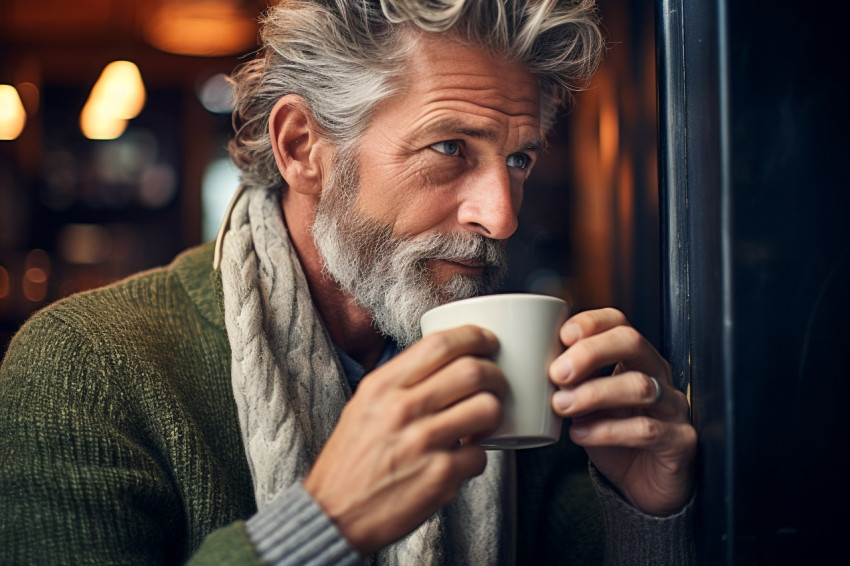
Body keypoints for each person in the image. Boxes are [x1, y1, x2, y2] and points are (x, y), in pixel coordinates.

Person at [0, 1, 697, 564]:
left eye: (518, 160)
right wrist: (319, 528)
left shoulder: (522, 380)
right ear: (303, 148)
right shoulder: (81, 367)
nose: (502, 217)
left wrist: (648, 507)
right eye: (450, 148)